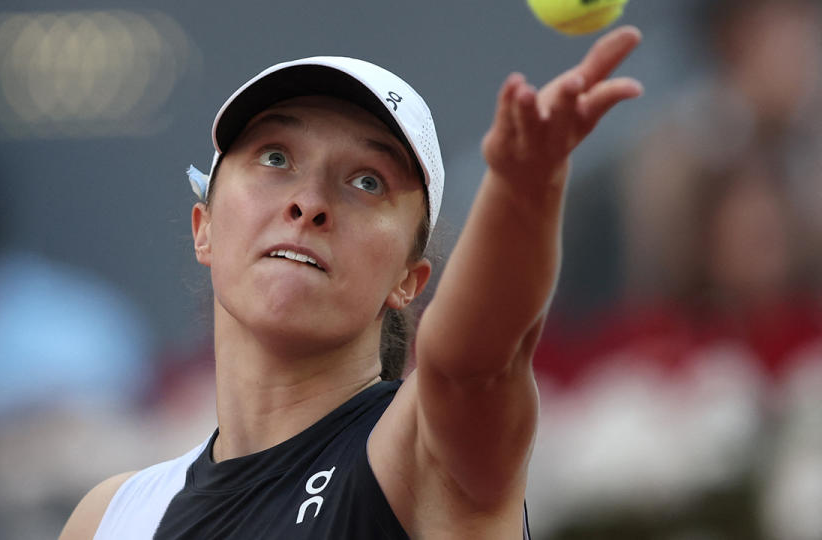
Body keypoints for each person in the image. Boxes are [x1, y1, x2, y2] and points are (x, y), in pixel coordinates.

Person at [60, 26, 643, 539]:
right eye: (275, 157)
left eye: (367, 181)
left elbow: (474, 364)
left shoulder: (421, 456)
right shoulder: (108, 519)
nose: (309, 203)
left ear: (408, 281)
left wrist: (523, 190)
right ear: (204, 228)